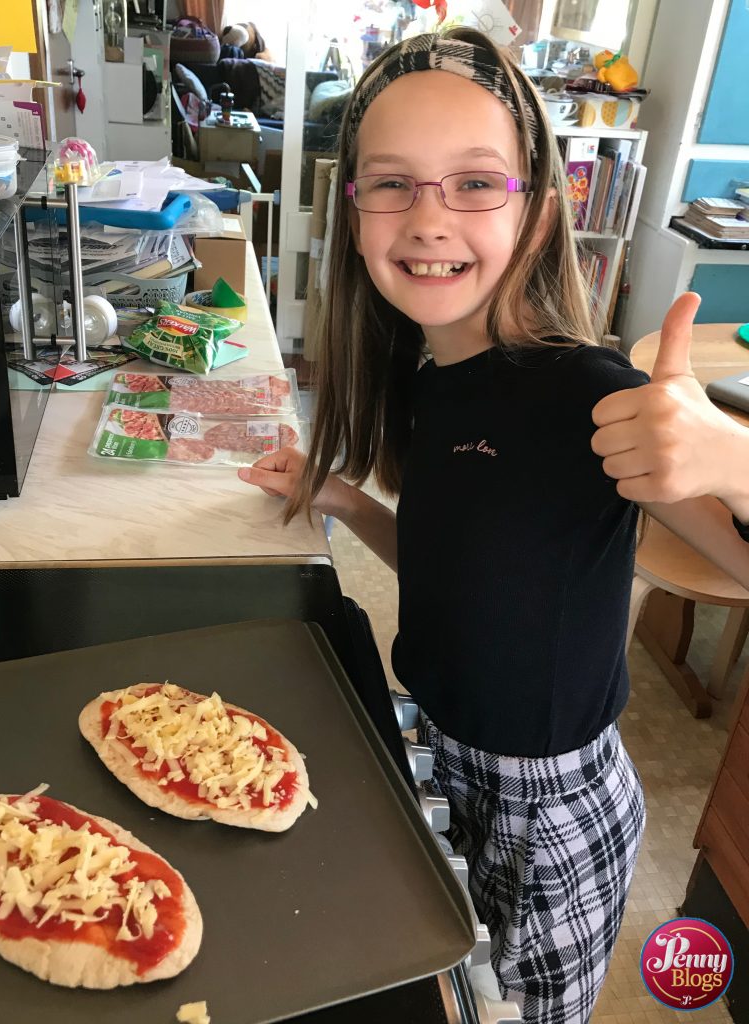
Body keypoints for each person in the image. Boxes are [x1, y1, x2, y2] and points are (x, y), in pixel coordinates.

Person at [238, 28, 749, 1024]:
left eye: (473, 182)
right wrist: (344, 500)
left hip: (547, 811)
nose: (428, 219)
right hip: (438, 745)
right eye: (392, 183)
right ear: (353, 212)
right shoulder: (430, 378)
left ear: (539, 209)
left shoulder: (590, 395)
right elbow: (443, 568)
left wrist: (731, 458)